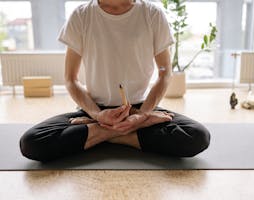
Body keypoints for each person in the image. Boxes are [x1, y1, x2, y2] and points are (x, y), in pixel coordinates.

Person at [19, 0, 211, 162]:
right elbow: (70, 79)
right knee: (32, 142)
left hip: (140, 108)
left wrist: (141, 115)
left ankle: (98, 135)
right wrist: (97, 115)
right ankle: (117, 132)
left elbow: (164, 73)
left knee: (197, 136)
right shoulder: (82, 15)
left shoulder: (152, 14)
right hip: (94, 110)